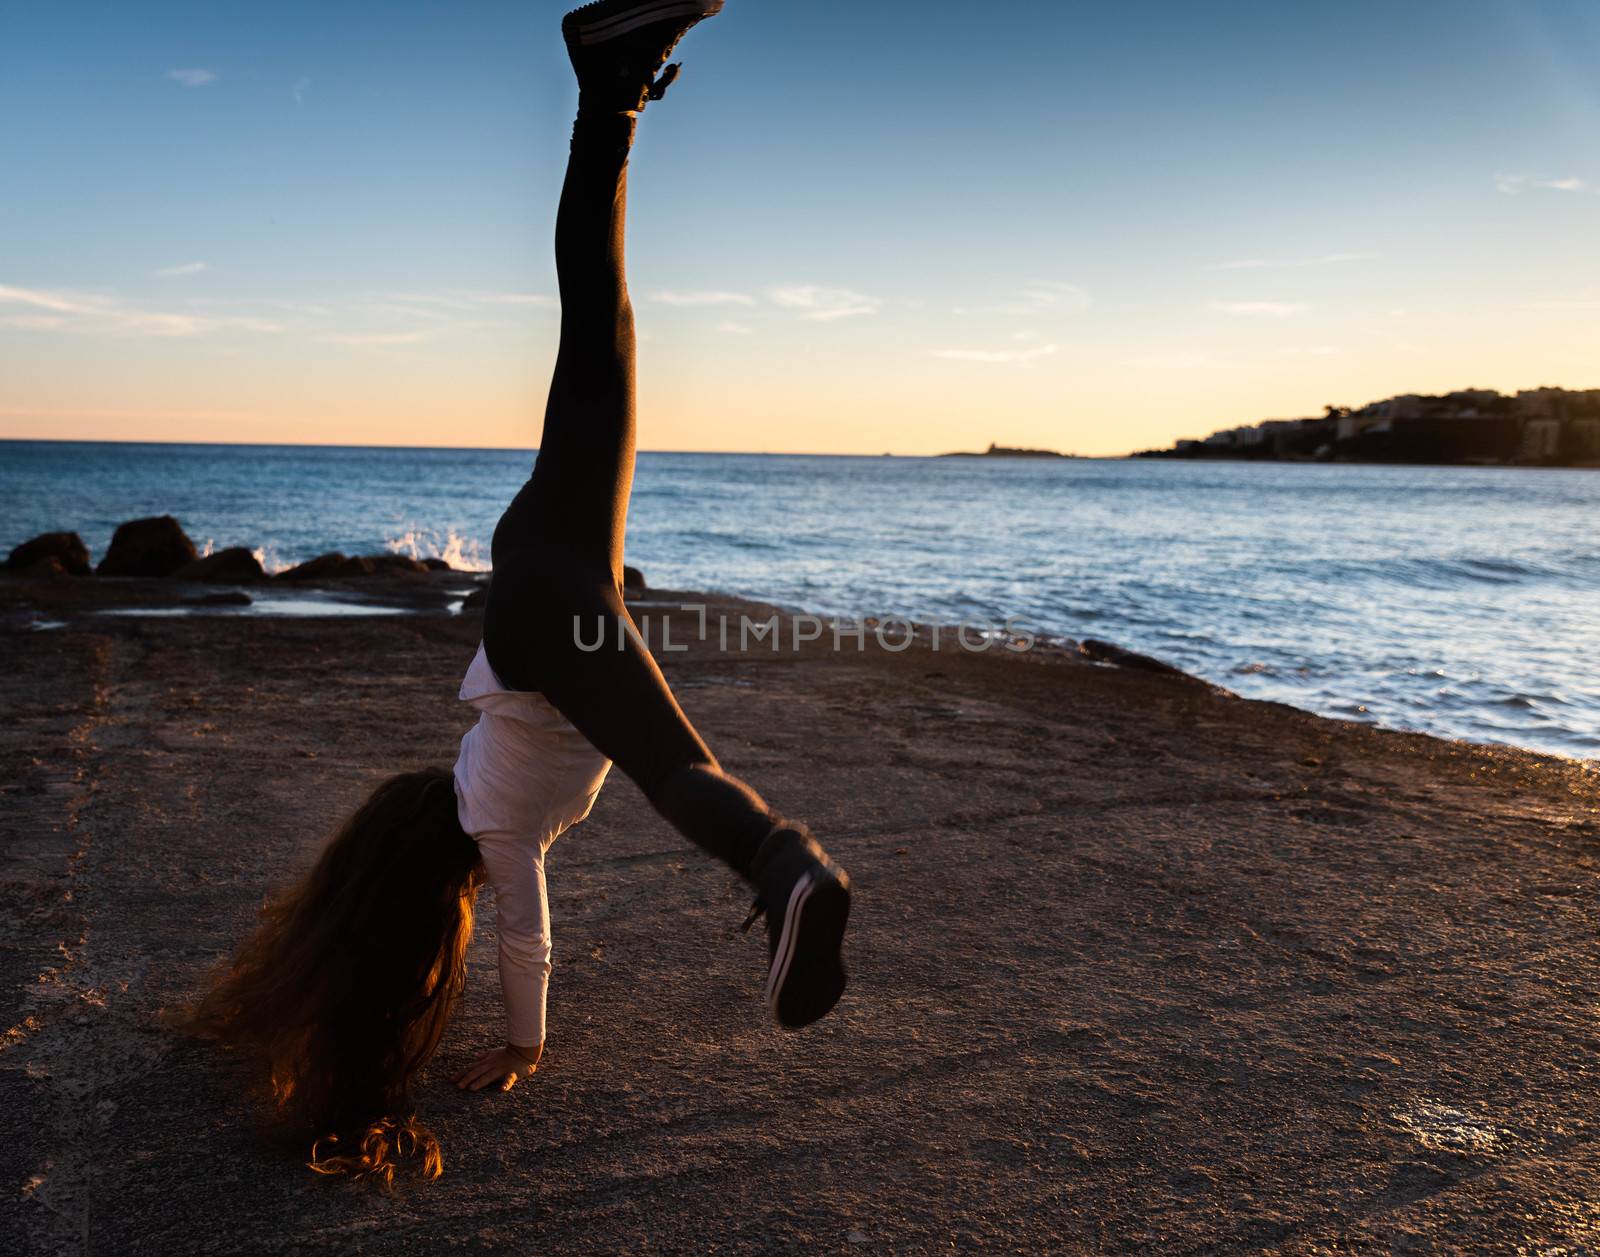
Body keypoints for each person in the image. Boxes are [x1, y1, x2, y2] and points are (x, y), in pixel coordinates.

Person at [188, 0, 851, 1185]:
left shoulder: (497, 826)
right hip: (555, 604)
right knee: (604, 333)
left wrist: (522, 1046)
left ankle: (608, 87)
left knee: (598, 335)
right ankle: (611, 92)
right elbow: (519, 907)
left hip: (552, 606)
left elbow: (527, 938)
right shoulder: (481, 800)